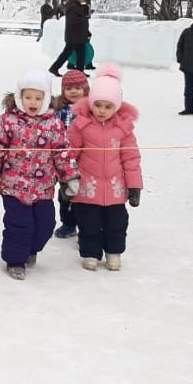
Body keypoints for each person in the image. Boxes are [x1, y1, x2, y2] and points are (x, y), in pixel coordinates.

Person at [0, 69, 79, 280]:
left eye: (38, 98)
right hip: (13, 185)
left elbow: (62, 153)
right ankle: (15, 259)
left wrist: (70, 177)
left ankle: (31, 249)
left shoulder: (54, 124)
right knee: (19, 224)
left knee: (46, 224)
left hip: (43, 187)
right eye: (28, 97)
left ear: (46, 99)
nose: (32, 102)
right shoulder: (8, 121)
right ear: (19, 97)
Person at [66, 63, 142, 271]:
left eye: (108, 107)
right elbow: (70, 154)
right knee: (88, 222)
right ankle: (90, 253)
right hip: (87, 187)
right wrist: (67, 180)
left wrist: (135, 187)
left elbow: (131, 158)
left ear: (116, 107)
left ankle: (113, 252)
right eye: (98, 105)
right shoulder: (80, 125)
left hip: (115, 188)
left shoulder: (123, 128)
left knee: (117, 222)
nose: (102, 111)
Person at [51, 69, 91, 239]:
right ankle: (68, 223)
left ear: (86, 89)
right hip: (63, 159)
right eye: (69, 88)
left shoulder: (91, 108)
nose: (73, 91)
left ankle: (86, 227)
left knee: (84, 195)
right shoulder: (58, 109)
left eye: (78, 88)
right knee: (66, 193)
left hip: (85, 159)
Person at [49, 0, 91, 76]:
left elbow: (80, 19)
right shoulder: (72, 6)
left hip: (78, 35)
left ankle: (80, 71)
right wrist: (84, 18)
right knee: (67, 53)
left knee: (80, 53)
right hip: (73, 36)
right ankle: (54, 68)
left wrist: (87, 32)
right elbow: (72, 20)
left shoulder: (77, 5)